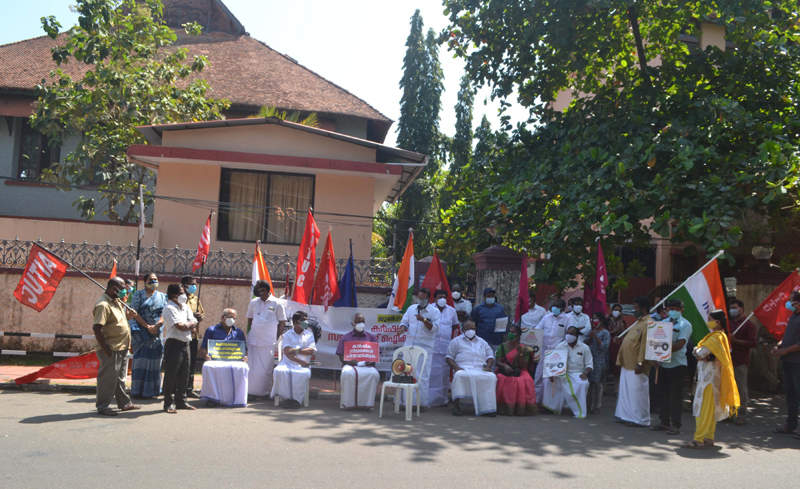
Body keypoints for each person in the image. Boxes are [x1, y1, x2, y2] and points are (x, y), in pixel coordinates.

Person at [682, 310, 739, 449]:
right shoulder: (721, 336)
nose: (708, 321)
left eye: (709, 319)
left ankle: (698, 439)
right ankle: (708, 437)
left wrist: (697, 350)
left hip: (708, 380)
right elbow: (703, 354)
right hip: (713, 379)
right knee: (711, 410)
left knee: (702, 410)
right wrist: (701, 353)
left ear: (717, 321)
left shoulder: (715, 337)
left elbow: (700, 353)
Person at [93, 277, 139, 416]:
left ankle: (124, 403)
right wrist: (105, 349)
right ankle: (103, 406)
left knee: (119, 378)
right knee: (107, 378)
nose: (126, 291)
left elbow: (117, 321)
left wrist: (129, 317)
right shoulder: (103, 305)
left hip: (122, 346)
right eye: (123, 288)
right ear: (114, 289)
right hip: (111, 348)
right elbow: (97, 328)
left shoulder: (117, 301)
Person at [651, 299, 693, 435]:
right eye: (672, 309)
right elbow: (655, 342)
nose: (674, 311)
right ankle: (664, 422)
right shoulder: (662, 323)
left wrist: (661, 353)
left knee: (676, 396)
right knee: (663, 394)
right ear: (667, 309)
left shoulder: (685, 325)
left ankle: (676, 424)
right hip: (663, 364)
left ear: (682, 310)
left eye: (677, 309)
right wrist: (656, 357)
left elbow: (680, 344)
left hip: (677, 364)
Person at [397, 288, 441, 407]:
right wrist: (402, 329)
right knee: (406, 373)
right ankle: (404, 403)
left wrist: (424, 320)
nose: (420, 300)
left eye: (423, 299)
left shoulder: (434, 311)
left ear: (428, 299)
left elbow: (435, 328)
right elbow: (404, 322)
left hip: (425, 348)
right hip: (409, 346)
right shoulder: (411, 309)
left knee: (422, 375)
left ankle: (419, 404)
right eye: (419, 298)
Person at [615, 296, 653, 427]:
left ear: (643, 309)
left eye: (635, 308)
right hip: (628, 362)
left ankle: (640, 419)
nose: (633, 310)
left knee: (637, 392)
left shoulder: (648, 323)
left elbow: (644, 345)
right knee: (627, 392)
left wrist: (640, 362)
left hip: (636, 364)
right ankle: (626, 415)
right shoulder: (638, 322)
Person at [446, 319, 497, 417]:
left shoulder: (482, 342)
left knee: (491, 377)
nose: (470, 331)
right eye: (468, 329)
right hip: (463, 368)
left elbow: (490, 356)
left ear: (476, 329)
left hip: (480, 369)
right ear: (463, 330)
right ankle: (456, 406)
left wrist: (488, 366)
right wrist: (456, 367)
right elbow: (448, 357)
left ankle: (488, 408)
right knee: (459, 376)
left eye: (472, 328)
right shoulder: (456, 341)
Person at [128, 272, 167, 399]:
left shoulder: (163, 296)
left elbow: (165, 313)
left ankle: (153, 391)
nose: (153, 281)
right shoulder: (138, 294)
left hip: (157, 333)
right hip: (141, 334)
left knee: (155, 362)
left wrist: (157, 326)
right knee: (140, 362)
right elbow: (134, 312)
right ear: (145, 282)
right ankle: (138, 391)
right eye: (151, 279)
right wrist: (147, 326)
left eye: (155, 279)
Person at [161, 283, 197, 413]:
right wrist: (190, 326)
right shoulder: (169, 308)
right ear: (174, 296)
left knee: (184, 374)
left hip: (186, 344)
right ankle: (168, 403)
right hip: (174, 344)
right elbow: (180, 326)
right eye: (182, 293)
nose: (185, 295)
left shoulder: (185, 307)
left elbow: (194, 321)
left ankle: (181, 400)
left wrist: (189, 325)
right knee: (171, 374)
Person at [246, 280, 286, 397]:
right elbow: (250, 319)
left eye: (258, 288)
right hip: (253, 340)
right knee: (252, 368)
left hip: (268, 342)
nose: (256, 291)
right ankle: (250, 392)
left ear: (264, 290)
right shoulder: (254, 302)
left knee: (266, 369)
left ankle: (263, 393)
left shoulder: (277, 303)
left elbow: (282, 322)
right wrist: (254, 331)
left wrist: (277, 336)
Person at [543, 325, 593, 418]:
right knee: (547, 381)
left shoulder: (584, 347)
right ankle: (552, 407)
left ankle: (579, 410)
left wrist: (585, 373)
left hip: (578, 373)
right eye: (568, 333)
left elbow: (589, 365)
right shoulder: (560, 346)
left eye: (572, 333)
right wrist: (552, 374)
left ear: (577, 336)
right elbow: (553, 362)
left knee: (583, 384)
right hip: (561, 372)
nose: (569, 335)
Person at [272, 311, 317, 407]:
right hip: (288, 363)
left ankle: (296, 400)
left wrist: (295, 350)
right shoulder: (287, 335)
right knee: (278, 371)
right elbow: (287, 352)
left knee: (303, 374)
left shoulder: (309, 335)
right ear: (296, 322)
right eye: (303, 320)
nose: (306, 322)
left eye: (306, 320)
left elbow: (310, 350)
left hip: (303, 365)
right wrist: (301, 361)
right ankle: (287, 398)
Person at [336, 313, 380, 409]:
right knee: (347, 373)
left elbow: (376, 354)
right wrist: (348, 362)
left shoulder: (371, 337)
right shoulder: (345, 338)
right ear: (352, 323)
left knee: (374, 374)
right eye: (358, 322)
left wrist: (372, 362)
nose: (361, 324)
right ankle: (349, 403)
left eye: (362, 321)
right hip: (350, 365)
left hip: (368, 365)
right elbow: (341, 356)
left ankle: (367, 403)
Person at [771, 290, 800, 437]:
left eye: (791, 300)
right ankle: (791, 425)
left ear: (797, 303)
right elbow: (788, 336)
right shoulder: (793, 316)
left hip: (797, 363)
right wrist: (779, 346)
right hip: (787, 362)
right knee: (790, 395)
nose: (788, 303)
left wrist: (786, 350)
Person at [495, 324, 537, 415]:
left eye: (513, 332)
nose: (510, 334)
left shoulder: (524, 348)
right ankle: (504, 408)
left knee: (526, 379)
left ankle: (521, 408)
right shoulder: (502, 346)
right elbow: (497, 362)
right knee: (501, 378)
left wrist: (521, 354)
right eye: (510, 332)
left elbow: (523, 365)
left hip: (519, 370)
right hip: (504, 370)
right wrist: (505, 366)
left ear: (518, 335)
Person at [533, 298, 569, 403]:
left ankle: (549, 403)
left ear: (562, 308)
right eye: (553, 307)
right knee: (538, 376)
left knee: (552, 379)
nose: (554, 309)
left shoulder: (567, 318)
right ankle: (536, 401)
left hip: (557, 353)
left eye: (556, 307)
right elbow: (538, 330)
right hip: (544, 350)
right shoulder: (546, 317)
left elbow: (569, 333)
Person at [727, 299, 757, 426]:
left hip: (740, 361)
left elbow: (752, 343)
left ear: (741, 309)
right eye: (731, 308)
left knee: (741, 389)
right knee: (728, 388)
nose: (732, 310)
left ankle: (742, 414)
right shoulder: (728, 323)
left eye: (734, 307)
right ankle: (730, 413)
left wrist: (736, 341)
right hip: (728, 360)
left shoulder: (749, 325)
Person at [430, 289, 460, 407]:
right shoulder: (430, 309)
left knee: (444, 374)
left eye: (444, 297)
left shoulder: (452, 310)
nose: (442, 299)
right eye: (439, 297)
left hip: (445, 346)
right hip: (432, 346)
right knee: (431, 373)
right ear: (435, 298)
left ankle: (442, 400)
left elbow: (455, 326)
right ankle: (429, 400)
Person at [182, 275, 205, 399]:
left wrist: (199, 317)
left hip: (194, 336)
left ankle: (189, 389)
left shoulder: (195, 298)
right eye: (191, 284)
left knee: (191, 363)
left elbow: (202, 314)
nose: (194, 286)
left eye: (195, 284)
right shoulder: (180, 298)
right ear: (184, 285)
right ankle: (176, 389)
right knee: (181, 363)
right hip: (182, 335)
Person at [585, 312, 610, 414]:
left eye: (596, 319)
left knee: (598, 384)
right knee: (589, 384)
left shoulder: (605, 333)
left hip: (599, 360)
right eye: (593, 319)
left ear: (601, 321)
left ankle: (597, 406)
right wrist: (590, 337)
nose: (594, 321)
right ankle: (588, 405)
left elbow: (604, 347)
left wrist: (596, 337)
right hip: (589, 360)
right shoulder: (590, 331)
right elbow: (585, 344)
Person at [608, 303, 626, 393]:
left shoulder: (622, 321)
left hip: (618, 346)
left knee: (617, 368)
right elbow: (604, 332)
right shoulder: (607, 321)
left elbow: (624, 332)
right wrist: (613, 331)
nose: (617, 312)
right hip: (608, 344)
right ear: (612, 311)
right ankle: (603, 389)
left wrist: (621, 322)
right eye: (615, 310)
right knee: (607, 367)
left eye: (619, 310)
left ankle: (616, 389)